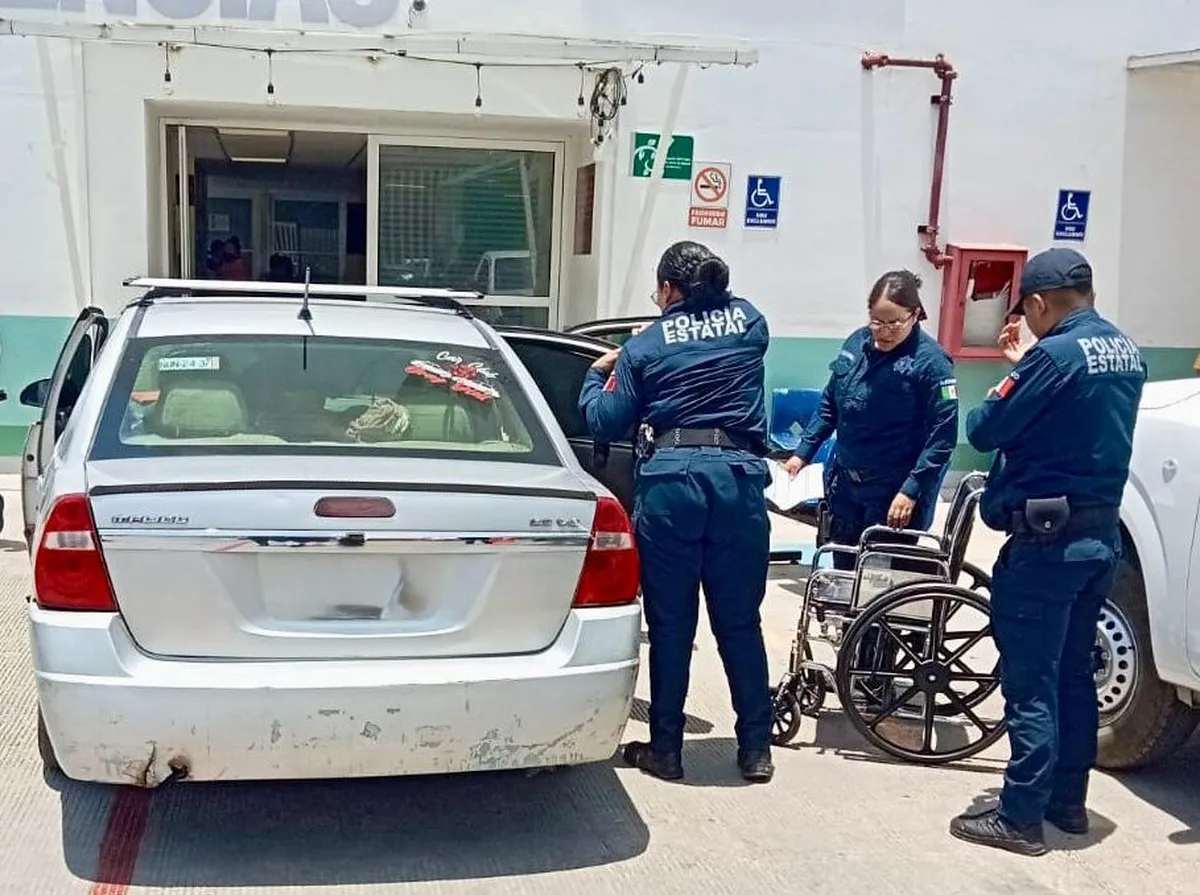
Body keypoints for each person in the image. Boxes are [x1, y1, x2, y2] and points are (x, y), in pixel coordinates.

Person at [948, 248, 1146, 857]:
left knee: (1031, 682)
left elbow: (984, 428)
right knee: (1072, 678)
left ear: (1037, 303)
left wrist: (1026, 367)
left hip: (1045, 545)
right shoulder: (1126, 351)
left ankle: (1020, 815)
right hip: (1098, 539)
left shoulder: (1055, 355)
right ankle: (1067, 803)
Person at [579, 241, 775, 784]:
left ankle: (666, 749)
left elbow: (605, 423)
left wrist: (598, 373)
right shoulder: (751, 321)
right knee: (740, 623)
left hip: (672, 487)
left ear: (667, 290)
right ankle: (756, 748)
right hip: (738, 483)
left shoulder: (645, 345)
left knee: (671, 624)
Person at [783, 270, 959, 566]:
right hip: (845, 487)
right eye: (877, 321)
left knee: (879, 581)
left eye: (894, 323)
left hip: (893, 494)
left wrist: (911, 491)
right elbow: (830, 403)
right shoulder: (856, 344)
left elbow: (942, 437)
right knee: (842, 574)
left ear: (915, 315)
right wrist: (801, 454)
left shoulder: (932, 363)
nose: (884, 331)